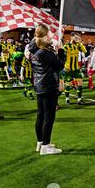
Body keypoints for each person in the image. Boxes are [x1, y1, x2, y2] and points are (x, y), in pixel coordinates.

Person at [28, 25, 64, 155]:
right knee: (48, 117)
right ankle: (46, 146)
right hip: (48, 85)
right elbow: (60, 65)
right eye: (48, 33)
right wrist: (61, 52)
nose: (50, 35)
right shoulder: (44, 52)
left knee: (41, 115)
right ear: (44, 35)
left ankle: (41, 142)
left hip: (40, 85)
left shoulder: (34, 49)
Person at [63, 33, 87, 104]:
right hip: (68, 69)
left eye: (78, 38)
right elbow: (61, 55)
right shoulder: (66, 46)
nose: (77, 39)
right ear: (71, 37)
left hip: (76, 68)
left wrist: (80, 43)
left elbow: (85, 51)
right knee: (68, 84)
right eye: (75, 37)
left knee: (80, 84)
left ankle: (79, 99)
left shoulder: (78, 45)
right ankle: (67, 98)